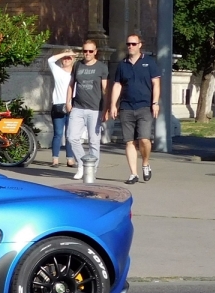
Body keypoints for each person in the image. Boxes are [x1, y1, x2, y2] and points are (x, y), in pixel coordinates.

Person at [109, 34, 160, 185]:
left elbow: (156, 83)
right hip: (126, 107)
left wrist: (155, 102)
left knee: (144, 139)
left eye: (133, 44)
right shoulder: (122, 64)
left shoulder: (149, 62)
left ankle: (145, 163)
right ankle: (133, 173)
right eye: (128, 44)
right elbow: (117, 85)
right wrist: (113, 104)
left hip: (144, 106)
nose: (130, 46)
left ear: (139, 45)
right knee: (129, 142)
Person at [65, 40, 109, 180]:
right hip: (78, 107)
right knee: (72, 137)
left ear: (95, 52)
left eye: (90, 51)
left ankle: (92, 169)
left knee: (93, 141)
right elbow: (71, 84)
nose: (87, 54)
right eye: (85, 51)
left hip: (95, 109)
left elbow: (105, 89)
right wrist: (68, 101)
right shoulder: (78, 65)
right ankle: (82, 164)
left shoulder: (101, 67)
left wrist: (107, 108)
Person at [46, 49, 78, 169]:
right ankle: (55, 159)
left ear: (73, 60)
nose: (66, 59)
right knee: (58, 133)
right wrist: (64, 53)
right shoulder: (57, 71)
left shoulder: (76, 72)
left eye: (69, 58)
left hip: (73, 105)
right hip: (59, 106)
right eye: (65, 57)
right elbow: (50, 60)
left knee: (70, 134)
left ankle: (70, 159)